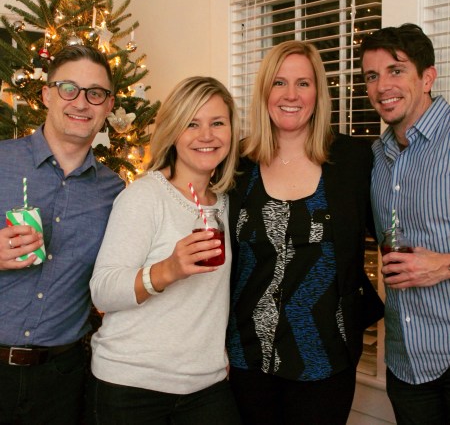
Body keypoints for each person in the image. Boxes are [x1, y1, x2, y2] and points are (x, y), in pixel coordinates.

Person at [226, 40, 384, 425]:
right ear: (265, 91)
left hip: (326, 359)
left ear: (318, 92)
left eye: (303, 83)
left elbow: (395, 229)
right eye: (279, 83)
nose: (291, 95)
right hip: (246, 358)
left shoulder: (353, 160)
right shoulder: (237, 163)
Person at [88, 76, 242, 425]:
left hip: (206, 384)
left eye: (218, 123)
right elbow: (103, 291)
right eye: (192, 124)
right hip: (131, 385)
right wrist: (168, 270)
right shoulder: (144, 197)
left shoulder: (227, 204)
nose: (207, 135)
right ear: (173, 131)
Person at [0, 45, 125, 424]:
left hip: (62, 379)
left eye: (95, 93)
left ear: (108, 105)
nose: (81, 102)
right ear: (46, 94)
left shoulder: (115, 192)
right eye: (69, 88)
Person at [361, 23, 450, 425]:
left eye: (395, 71)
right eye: (372, 76)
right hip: (406, 363)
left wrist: (444, 265)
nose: (382, 86)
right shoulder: (376, 159)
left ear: (427, 78)